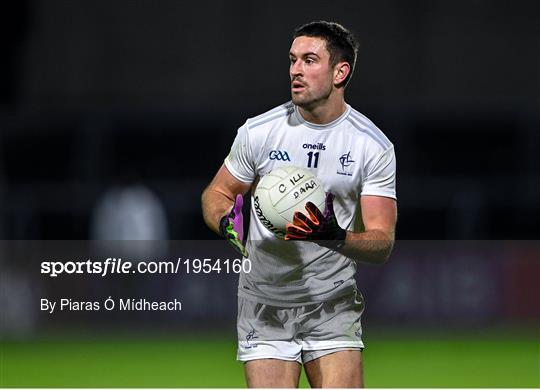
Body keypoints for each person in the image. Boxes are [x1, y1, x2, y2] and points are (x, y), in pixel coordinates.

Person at [201, 21, 397, 388]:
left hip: (331, 301)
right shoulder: (259, 132)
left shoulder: (371, 146)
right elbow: (216, 193)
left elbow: (382, 240)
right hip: (264, 301)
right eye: (292, 60)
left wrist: (333, 236)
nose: (295, 70)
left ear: (341, 72)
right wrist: (228, 221)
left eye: (309, 60)